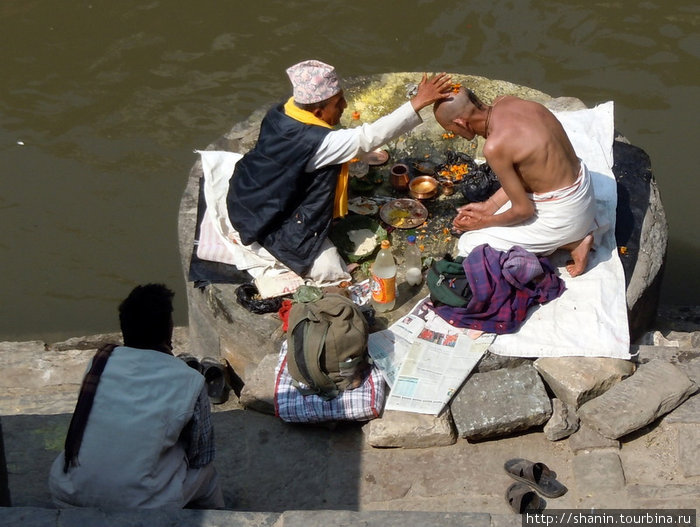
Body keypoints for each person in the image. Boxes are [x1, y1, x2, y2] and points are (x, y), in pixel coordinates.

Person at [226, 59, 453, 281]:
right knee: (332, 268)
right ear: (317, 110)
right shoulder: (313, 141)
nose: (344, 106)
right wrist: (418, 102)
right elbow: (368, 137)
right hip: (266, 217)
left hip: (245, 191)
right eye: (338, 102)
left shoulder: (282, 113)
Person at [49, 284, 224, 509]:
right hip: (140, 505)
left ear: (124, 328)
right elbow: (200, 454)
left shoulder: (99, 362)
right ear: (169, 329)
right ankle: (218, 517)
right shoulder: (191, 379)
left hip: (67, 493)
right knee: (205, 472)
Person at [433, 88, 596, 277]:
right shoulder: (505, 100)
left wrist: (483, 222)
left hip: (566, 216)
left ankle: (573, 242)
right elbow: (525, 172)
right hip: (583, 189)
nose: (454, 135)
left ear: (461, 123)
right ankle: (571, 237)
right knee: (498, 216)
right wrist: (488, 206)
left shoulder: (495, 146)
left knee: (470, 242)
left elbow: (523, 211)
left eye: (451, 130)